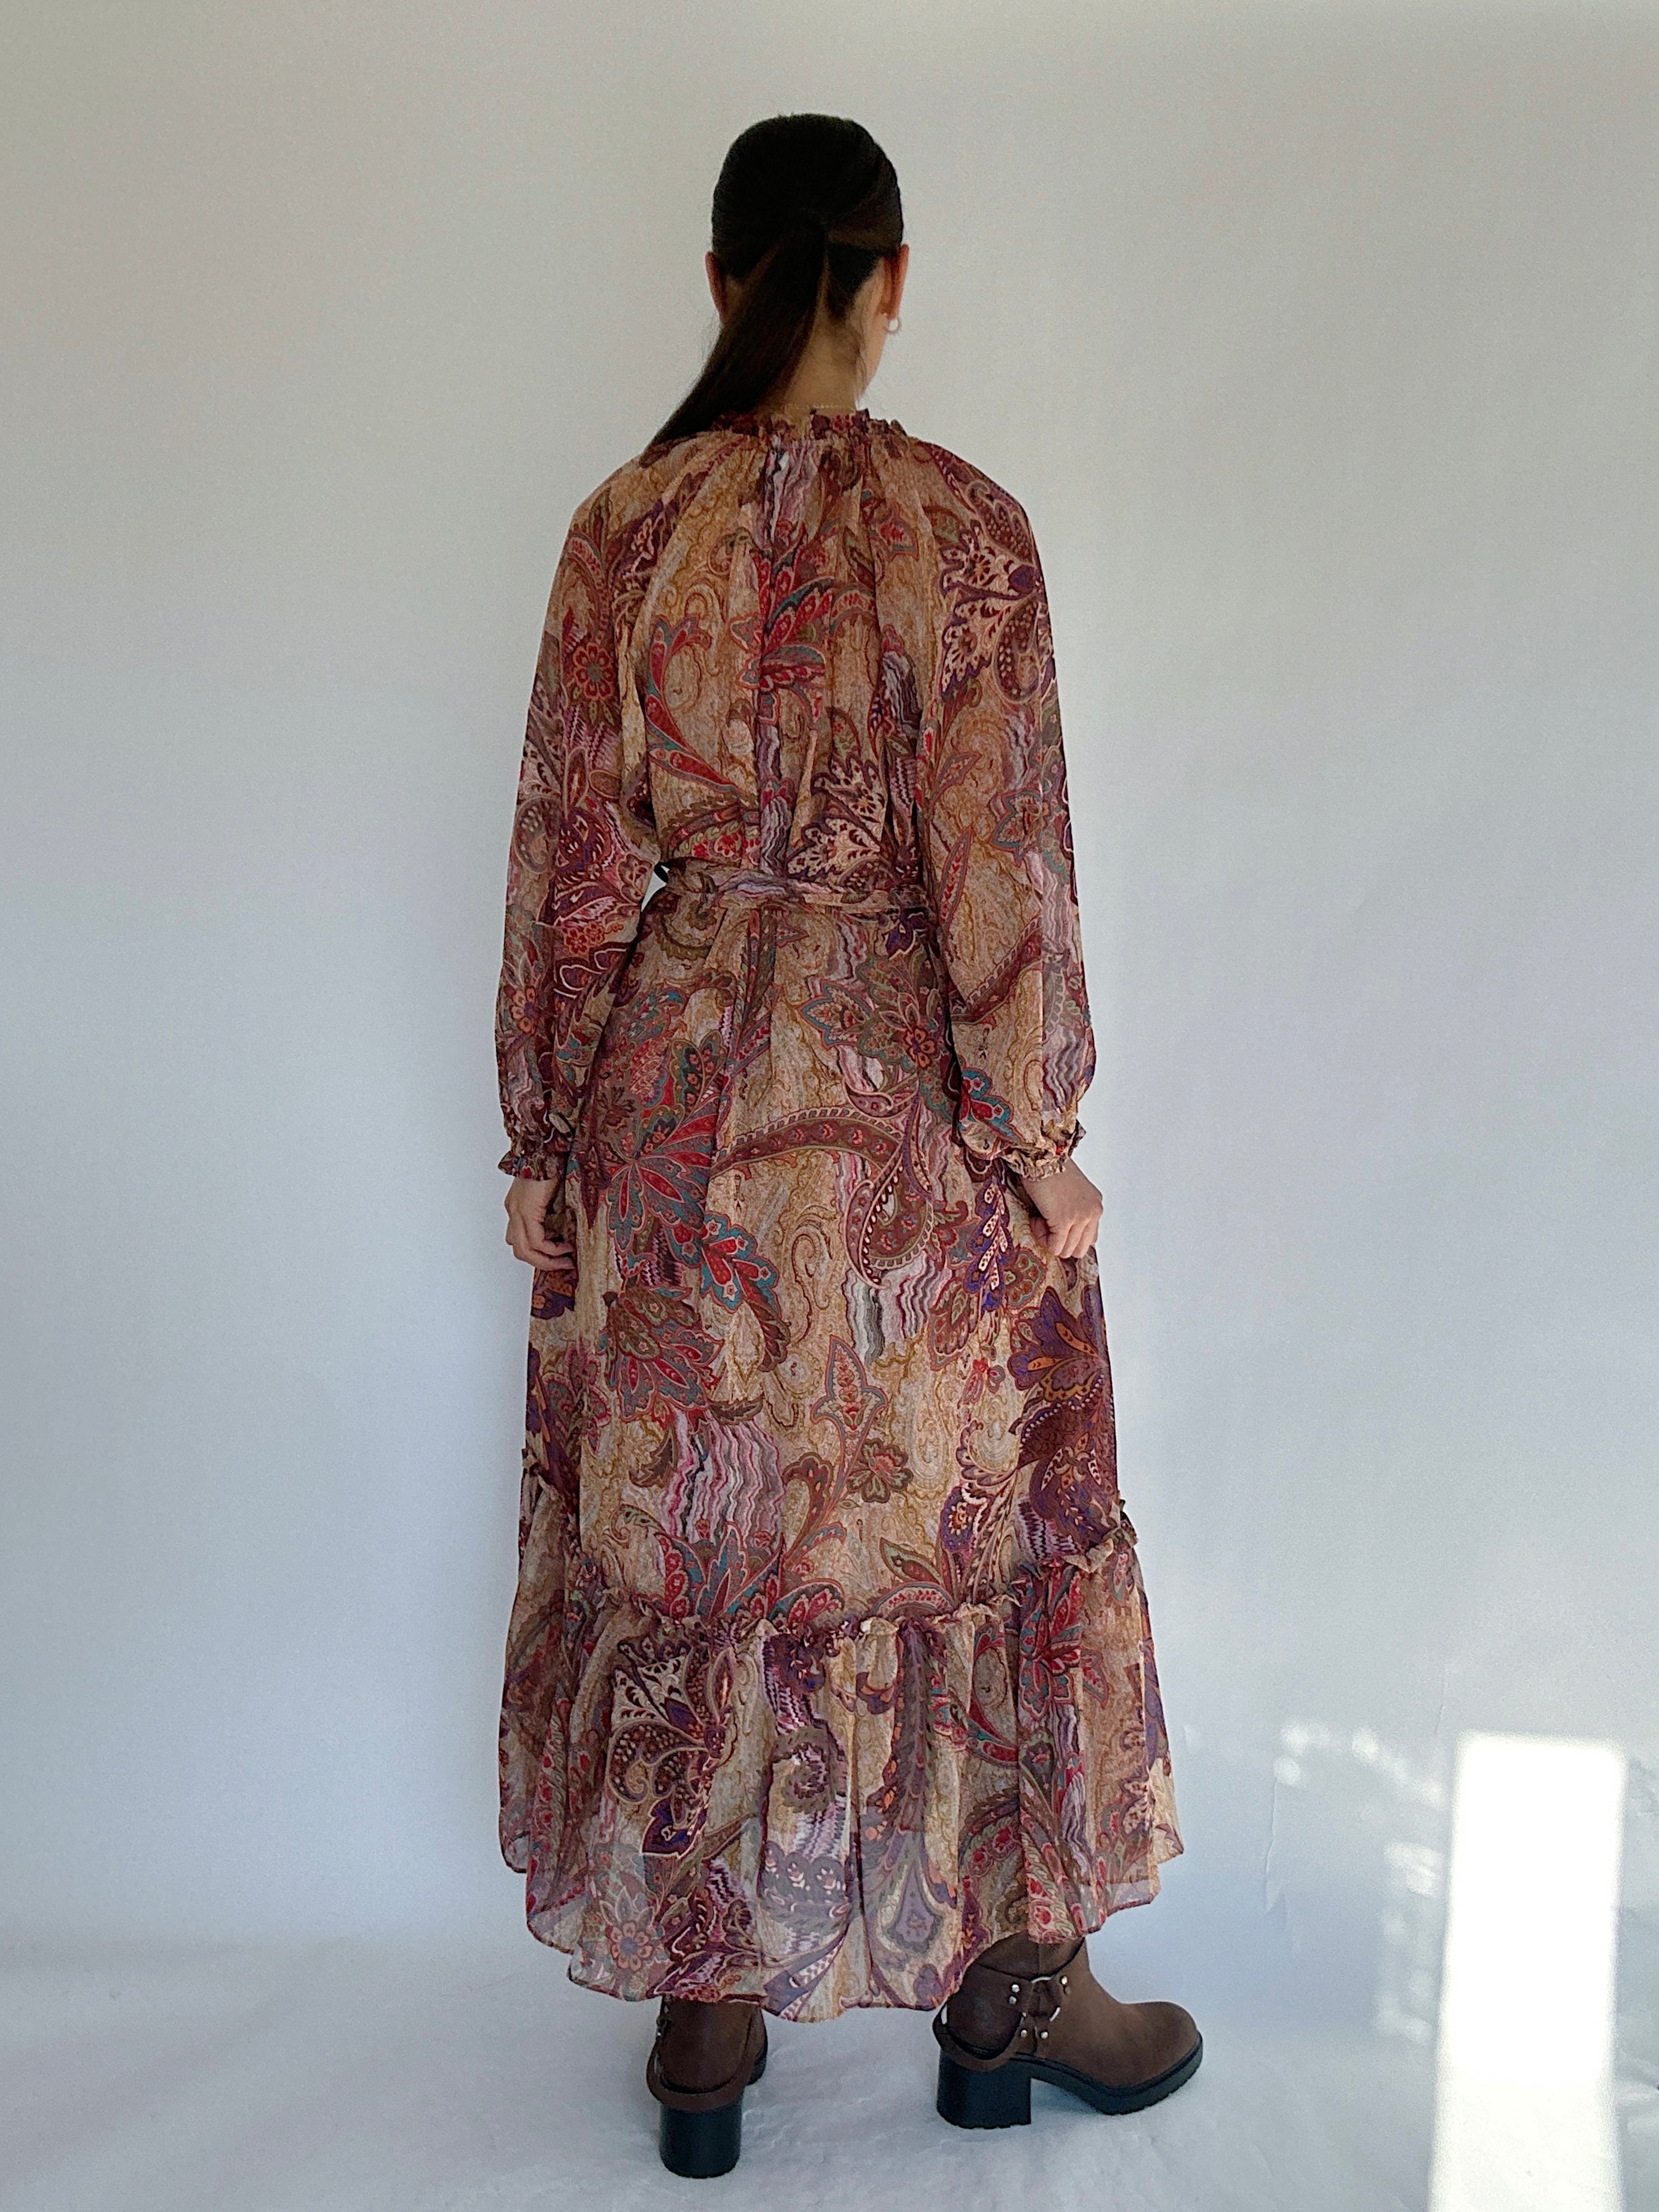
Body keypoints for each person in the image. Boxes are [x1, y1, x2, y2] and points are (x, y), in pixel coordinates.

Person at [494, 111, 1200, 2178]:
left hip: (674, 1117)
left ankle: (705, 2028)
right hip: (916, 1134)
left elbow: (569, 868)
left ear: (723, 282)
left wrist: (542, 1133)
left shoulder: (625, 529)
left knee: (700, 1538)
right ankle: (1009, 1998)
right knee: (981, 1520)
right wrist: (1035, 1132)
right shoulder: (967, 533)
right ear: (889, 281)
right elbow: (1004, 858)